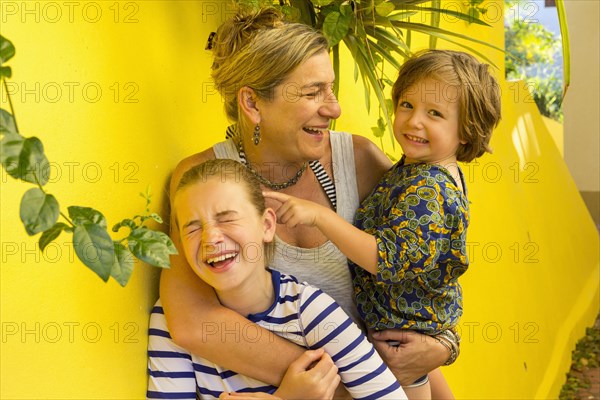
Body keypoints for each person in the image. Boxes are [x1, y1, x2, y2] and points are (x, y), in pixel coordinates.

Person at [159, 7, 452, 397]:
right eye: (313, 92)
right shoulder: (202, 181)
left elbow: (417, 276)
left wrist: (444, 343)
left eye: (330, 89)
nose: (334, 108)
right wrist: (324, 386)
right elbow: (193, 322)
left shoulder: (359, 162)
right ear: (252, 104)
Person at [264, 49, 502, 398]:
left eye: (434, 113)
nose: (413, 121)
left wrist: (321, 217)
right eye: (407, 105)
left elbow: (385, 258)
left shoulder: (429, 188)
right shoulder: (415, 170)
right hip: (396, 331)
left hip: (401, 342)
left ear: (466, 131)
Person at [147, 159, 408, 399]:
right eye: (192, 227)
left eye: (227, 218)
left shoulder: (310, 311)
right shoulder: (167, 318)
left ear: (267, 226)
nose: (210, 237)